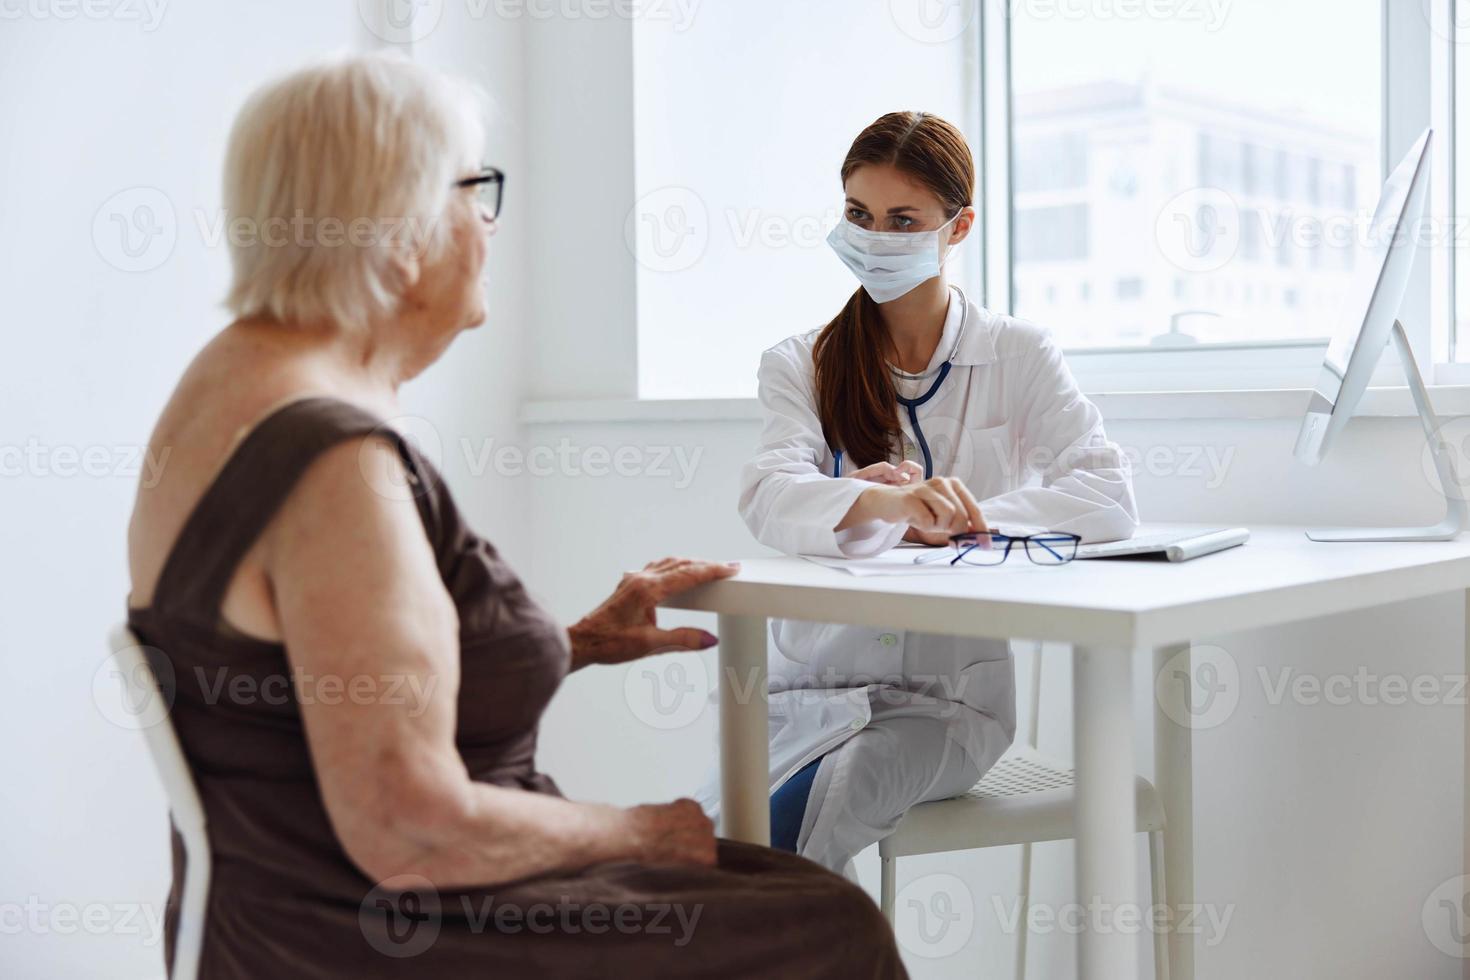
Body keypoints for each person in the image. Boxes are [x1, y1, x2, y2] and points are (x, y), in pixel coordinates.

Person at [124, 54, 905, 978]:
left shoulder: (227, 384)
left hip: (283, 917)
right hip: (383, 933)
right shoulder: (336, 466)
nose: (490, 226)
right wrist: (640, 831)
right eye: (476, 192)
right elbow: (409, 825)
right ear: (402, 229)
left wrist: (569, 643)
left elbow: (322, 689)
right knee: (828, 921)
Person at [726, 111, 1138, 875]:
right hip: (808, 695)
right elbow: (769, 494)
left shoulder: (1017, 353)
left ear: (959, 227)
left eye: (901, 219)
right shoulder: (800, 363)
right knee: (699, 843)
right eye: (859, 215)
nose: (875, 237)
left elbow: (1106, 490)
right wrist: (877, 505)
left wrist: (958, 522)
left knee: (808, 820)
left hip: (943, 706)